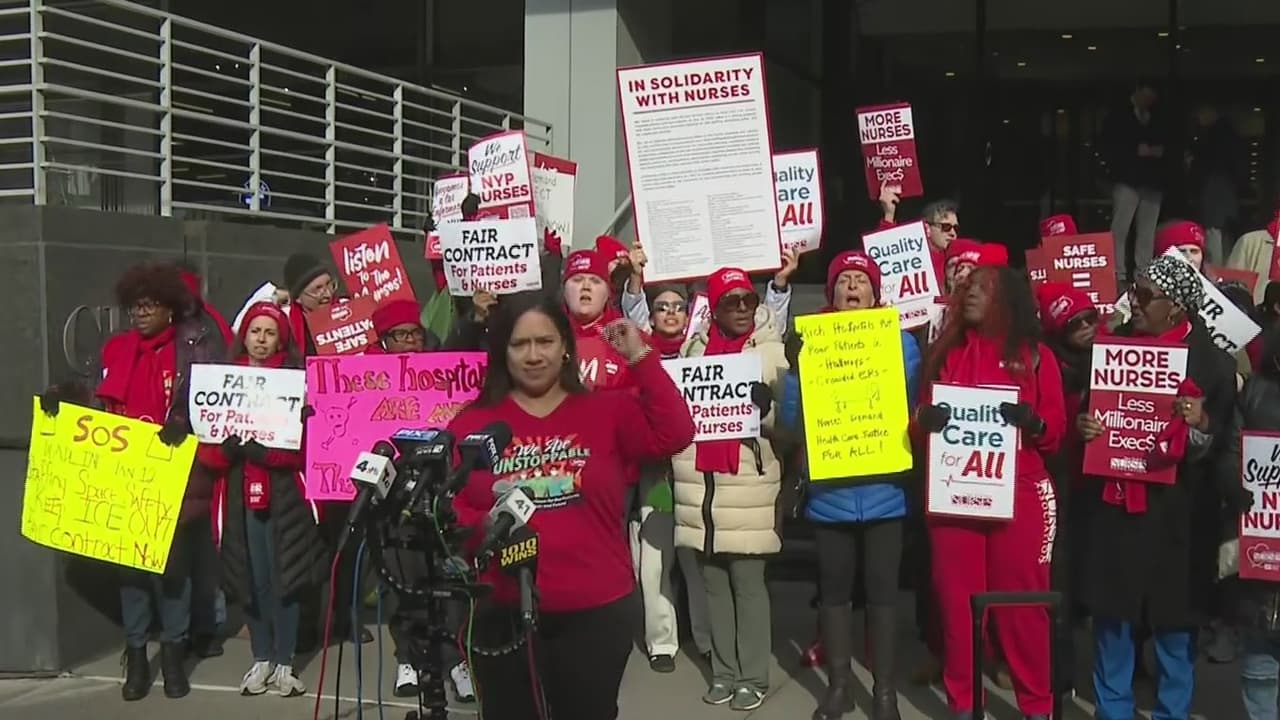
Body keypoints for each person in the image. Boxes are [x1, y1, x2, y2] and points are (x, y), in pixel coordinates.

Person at [449, 293, 695, 720]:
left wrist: (640, 357)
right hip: (503, 610)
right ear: (502, 351)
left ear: (565, 346)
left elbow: (675, 433)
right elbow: (450, 507)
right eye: (519, 344)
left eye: (545, 341)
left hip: (595, 611)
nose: (533, 355)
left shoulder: (608, 409)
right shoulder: (472, 423)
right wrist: (481, 527)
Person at [41, 261, 222, 701]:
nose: (141, 313)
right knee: (132, 576)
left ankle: (174, 654)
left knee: (173, 574)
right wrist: (61, 399)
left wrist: (183, 421)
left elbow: (208, 401)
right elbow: (93, 395)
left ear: (170, 308)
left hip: (172, 477)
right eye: (136, 306)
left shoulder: (192, 349)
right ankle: (137, 655)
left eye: (150, 305)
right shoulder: (116, 349)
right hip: (123, 478)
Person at [1076, 254, 1236, 720]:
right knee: (1114, 621)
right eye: (1134, 291)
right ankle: (1113, 711)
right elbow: (1091, 411)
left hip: (1178, 518)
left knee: (1174, 628)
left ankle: (1172, 712)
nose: (1135, 302)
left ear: (1177, 308)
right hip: (1117, 511)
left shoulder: (1214, 365)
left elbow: (1224, 447)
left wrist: (1201, 425)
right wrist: (1085, 426)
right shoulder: (1112, 349)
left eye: (1146, 295)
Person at [917, 245, 1066, 720]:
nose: (971, 294)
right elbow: (918, 425)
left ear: (1007, 297)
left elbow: (1056, 432)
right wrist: (924, 422)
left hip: (1021, 495)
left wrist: (1033, 423)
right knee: (958, 609)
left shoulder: (1036, 357)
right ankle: (964, 704)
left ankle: (1037, 706)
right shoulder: (945, 354)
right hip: (955, 496)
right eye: (967, 287)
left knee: (1022, 609)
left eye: (983, 287)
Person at [789, 251, 920, 720]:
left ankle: (884, 694)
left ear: (874, 293)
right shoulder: (811, 343)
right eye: (843, 279)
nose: (851, 287)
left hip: (885, 494)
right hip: (831, 496)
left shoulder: (900, 341)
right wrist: (797, 372)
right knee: (834, 594)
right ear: (831, 292)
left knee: (884, 596)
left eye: (860, 281)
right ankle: (839, 687)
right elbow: (792, 421)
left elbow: (910, 402)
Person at [672, 267, 789, 711]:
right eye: (731, 301)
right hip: (700, 485)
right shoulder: (693, 351)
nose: (742, 308)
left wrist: (769, 410)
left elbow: (793, 423)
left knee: (748, 583)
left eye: (748, 300)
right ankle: (723, 672)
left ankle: (753, 677)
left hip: (748, 485)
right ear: (715, 309)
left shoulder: (773, 353)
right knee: (714, 586)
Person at [194, 302, 324, 697]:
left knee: (286, 579)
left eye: (270, 333)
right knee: (249, 579)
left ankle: (285, 661)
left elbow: (303, 447)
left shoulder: (294, 382)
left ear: (280, 339)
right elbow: (207, 451)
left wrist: (267, 455)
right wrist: (227, 452)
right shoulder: (224, 383)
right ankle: (261, 656)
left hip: (284, 497)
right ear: (244, 336)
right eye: (256, 332)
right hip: (238, 499)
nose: (262, 340)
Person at [1035, 282, 1102, 695]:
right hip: (1060, 485)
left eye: (1091, 317)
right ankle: (1060, 671)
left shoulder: (1114, 358)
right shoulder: (1044, 364)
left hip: (1101, 490)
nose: (1087, 327)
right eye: (1076, 322)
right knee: (1058, 580)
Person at [1222, 324, 1280, 720]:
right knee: (1260, 665)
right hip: (1262, 546)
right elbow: (1230, 452)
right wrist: (1238, 486)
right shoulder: (1255, 391)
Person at [1102, 80, 1167, 281]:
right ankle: (1117, 272)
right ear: (1137, 91)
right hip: (1127, 179)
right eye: (1146, 95)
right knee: (1120, 229)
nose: (1149, 100)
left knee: (1147, 231)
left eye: (1152, 97)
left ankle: (1143, 273)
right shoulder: (1118, 115)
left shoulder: (1157, 116)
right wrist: (1134, 151)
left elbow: (1167, 144)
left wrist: (1156, 152)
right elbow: (1110, 145)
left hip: (1151, 181)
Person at [562, 249, 632, 391]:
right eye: (577, 280)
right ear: (564, 289)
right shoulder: (543, 336)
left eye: (595, 281)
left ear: (608, 292)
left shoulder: (631, 340)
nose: (586, 287)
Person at [1189, 105, 1246, 263]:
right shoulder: (1230, 134)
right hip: (1226, 186)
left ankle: (1215, 267)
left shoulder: (1213, 137)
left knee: (1213, 228)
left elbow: (1205, 161)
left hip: (1215, 186)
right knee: (1223, 231)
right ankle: (1226, 265)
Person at [282, 252, 336, 355]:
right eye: (317, 289)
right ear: (298, 298)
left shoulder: (349, 310)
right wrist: (274, 294)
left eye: (329, 285)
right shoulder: (285, 321)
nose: (328, 294)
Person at [367, 299, 442, 353]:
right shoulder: (368, 368)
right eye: (401, 334)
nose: (411, 340)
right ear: (384, 341)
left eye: (417, 333)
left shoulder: (438, 363)